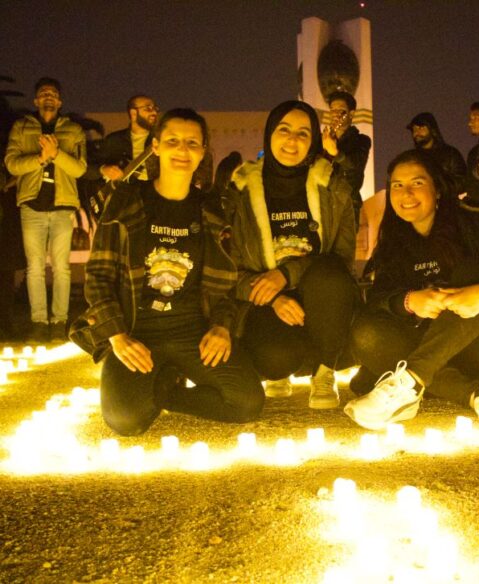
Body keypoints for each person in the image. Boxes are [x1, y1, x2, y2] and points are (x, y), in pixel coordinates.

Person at [69, 108, 264, 436]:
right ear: (156, 146)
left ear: (203, 151)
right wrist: (118, 337)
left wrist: (220, 327)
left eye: (192, 142)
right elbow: (99, 276)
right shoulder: (124, 203)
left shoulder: (211, 213)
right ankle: (160, 375)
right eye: (173, 141)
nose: (183, 150)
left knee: (247, 403)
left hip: (193, 334)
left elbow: (226, 285)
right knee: (126, 420)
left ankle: (168, 390)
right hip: (137, 332)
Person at [344, 149, 479, 431]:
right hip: (441, 354)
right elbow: (379, 298)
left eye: (417, 182)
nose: (406, 193)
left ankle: (409, 381)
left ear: (437, 188)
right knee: (366, 334)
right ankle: (478, 398)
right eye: (397, 185)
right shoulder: (394, 243)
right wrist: (410, 301)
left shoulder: (478, 222)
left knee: (472, 273)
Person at [224, 100, 360, 409]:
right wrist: (273, 296)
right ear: (269, 134)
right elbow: (229, 268)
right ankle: (283, 365)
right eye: (284, 130)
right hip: (264, 300)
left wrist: (287, 274)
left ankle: (324, 369)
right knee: (274, 359)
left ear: (313, 140)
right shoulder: (242, 191)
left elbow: (340, 259)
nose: (292, 140)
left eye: (303, 133)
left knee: (329, 277)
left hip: (324, 299)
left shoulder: (332, 187)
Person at [4, 77, 86, 343]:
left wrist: (56, 153)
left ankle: (59, 322)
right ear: (36, 101)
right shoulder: (22, 126)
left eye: (53, 93)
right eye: (43, 93)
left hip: (62, 207)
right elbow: (12, 164)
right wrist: (40, 158)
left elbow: (79, 168)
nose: (48, 96)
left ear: (60, 101)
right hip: (32, 206)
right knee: (35, 268)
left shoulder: (73, 129)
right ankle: (39, 321)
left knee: (61, 268)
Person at [321, 91, 371, 227]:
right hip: (322, 204)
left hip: (347, 205)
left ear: (351, 113)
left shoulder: (361, 141)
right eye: (332, 110)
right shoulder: (321, 140)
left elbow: (356, 166)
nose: (336, 114)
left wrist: (336, 152)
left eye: (341, 110)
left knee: (344, 247)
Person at [88, 94, 159, 183]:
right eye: (148, 108)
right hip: (124, 194)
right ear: (133, 113)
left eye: (155, 108)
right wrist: (103, 169)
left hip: (153, 193)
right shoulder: (114, 140)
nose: (154, 112)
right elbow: (87, 168)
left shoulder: (161, 139)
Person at [407, 112, 467, 195]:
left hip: (447, 203)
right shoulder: (411, 158)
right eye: (414, 129)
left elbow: (462, 180)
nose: (417, 133)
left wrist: (439, 187)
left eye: (421, 128)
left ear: (432, 129)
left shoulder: (450, 153)